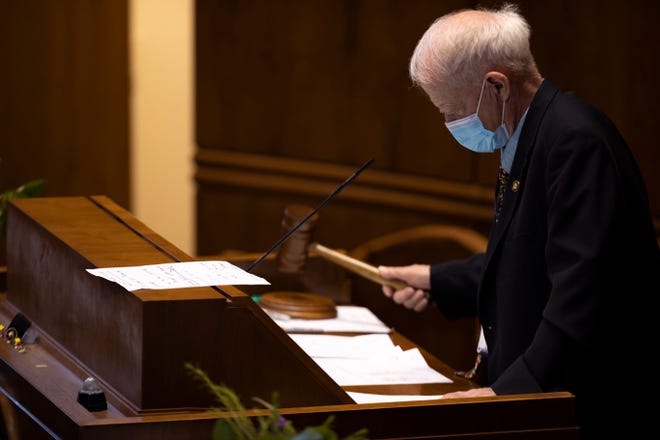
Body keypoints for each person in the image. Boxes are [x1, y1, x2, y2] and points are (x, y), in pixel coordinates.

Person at [378, 4, 660, 439]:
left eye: (451, 110)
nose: (449, 123)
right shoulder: (530, 133)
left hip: (583, 410)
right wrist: (435, 278)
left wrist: (509, 392)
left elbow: (582, 293)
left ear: (496, 86)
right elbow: (522, 256)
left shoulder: (574, 142)